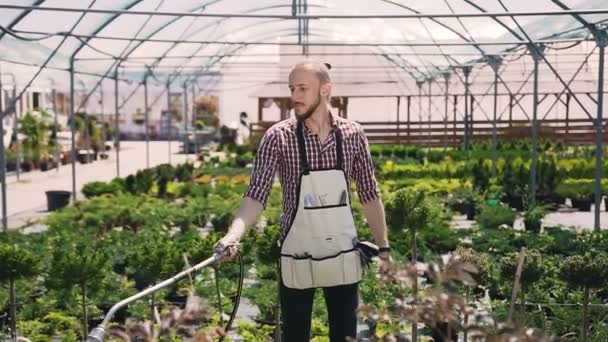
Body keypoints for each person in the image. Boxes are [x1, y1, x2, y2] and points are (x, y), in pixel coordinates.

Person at [215, 60, 391, 341]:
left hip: (343, 252)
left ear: (325, 89)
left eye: (302, 88)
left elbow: (369, 193)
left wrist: (383, 247)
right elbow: (256, 194)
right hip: (297, 251)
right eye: (292, 88)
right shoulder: (278, 137)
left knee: (345, 336)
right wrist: (232, 236)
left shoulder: (353, 135)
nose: (294, 96)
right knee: (295, 335)